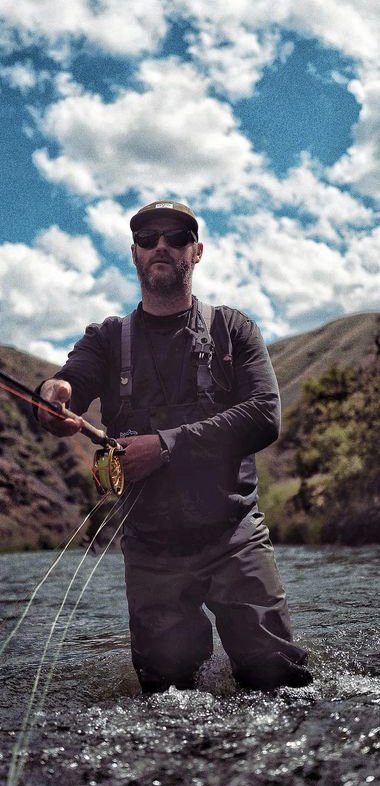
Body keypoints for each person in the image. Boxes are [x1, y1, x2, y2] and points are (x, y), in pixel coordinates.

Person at [37, 200, 312, 693]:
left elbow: (264, 416)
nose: (161, 245)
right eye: (147, 238)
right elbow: (69, 381)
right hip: (151, 550)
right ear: (134, 254)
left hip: (235, 535)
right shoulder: (105, 339)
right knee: (166, 697)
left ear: (196, 251)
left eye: (176, 236)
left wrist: (163, 446)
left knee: (282, 684)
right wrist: (54, 397)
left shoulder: (235, 330)